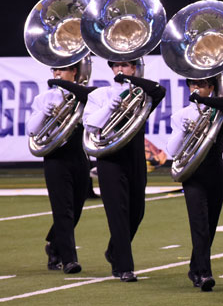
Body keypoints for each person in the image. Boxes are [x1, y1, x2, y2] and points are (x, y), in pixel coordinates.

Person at [82, 60, 165, 282]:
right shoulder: (100, 95)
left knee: (137, 212)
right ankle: (124, 267)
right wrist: (110, 107)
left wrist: (131, 82)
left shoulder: (141, 96)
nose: (120, 69)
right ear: (110, 69)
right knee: (117, 213)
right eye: (116, 65)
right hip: (109, 160)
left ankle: (114, 250)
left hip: (135, 158)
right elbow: (90, 125)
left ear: (134, 68)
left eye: (126, 65)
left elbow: (159, 90)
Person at [166, 77, 223, 292]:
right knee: (199, 225)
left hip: (216, 172)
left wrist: (204, 102)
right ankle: (205, 273)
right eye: (193, 84)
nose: (197, 88)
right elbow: (172, 150)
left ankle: (195, 268)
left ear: (212, 88)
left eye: (204, 84)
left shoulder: (220, 113)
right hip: (193, 174)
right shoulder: (181, 116)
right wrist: (184, 131)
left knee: (211, 225)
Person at [25, 61, 92, 274]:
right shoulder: (43, 98)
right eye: (54, 70)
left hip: (79, 157)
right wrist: (43, 113)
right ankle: (69, 259)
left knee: (77, 210)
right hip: (55, 158)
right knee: (63, 210)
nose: (56, 73)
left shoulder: (84, 95)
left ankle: (53, 245)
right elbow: (31, 130)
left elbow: (89, 100)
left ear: (74, 72)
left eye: (61, 70)